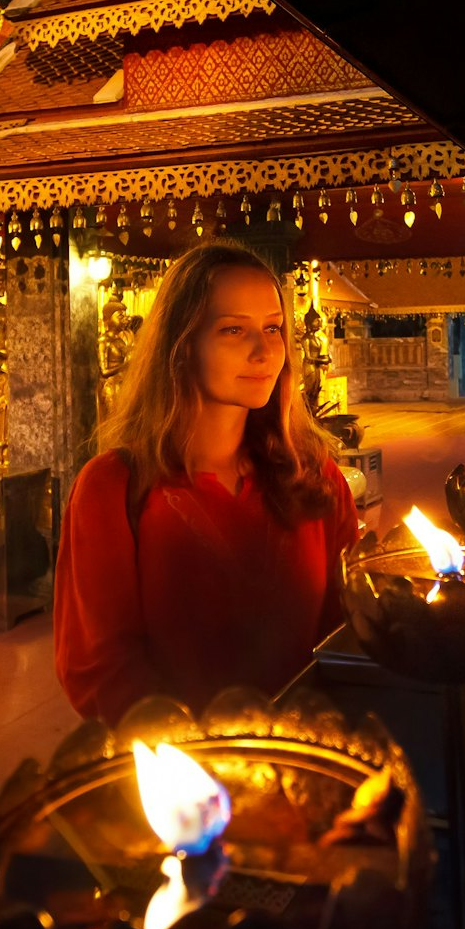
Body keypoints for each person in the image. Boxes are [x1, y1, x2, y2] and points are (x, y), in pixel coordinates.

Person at [54, 242, 359, 725]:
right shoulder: (114, 488)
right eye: (234, 329)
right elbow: (99, 666)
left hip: (306, 758)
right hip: (183, 776)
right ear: (182, 344)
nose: (264, 351)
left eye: (274, 328)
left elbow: (345, 630)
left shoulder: (313, 478)